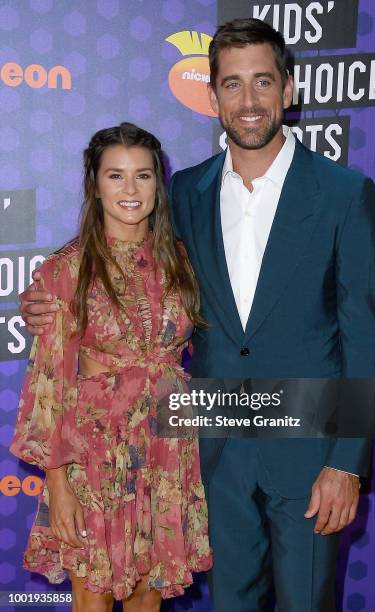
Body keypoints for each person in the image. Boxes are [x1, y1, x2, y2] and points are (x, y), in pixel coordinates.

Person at [19, 19, 375, 612]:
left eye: (263, 82)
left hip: (308, 452)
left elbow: (368, 337)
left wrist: (348, 463)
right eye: (233, 85)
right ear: (212, 96)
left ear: (289, 90)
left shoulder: (346, 194)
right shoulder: (186, 194)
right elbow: (110, 266)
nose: (249, 102)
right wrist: (40, 300)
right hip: (208, 453)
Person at [11, 123, 211, 612]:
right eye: (115, 176)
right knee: (94, 595)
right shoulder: (67, 270)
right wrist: (57, 485)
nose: (130, 190)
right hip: (94, 455)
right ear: (94, 183)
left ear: (157, 185)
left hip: (167, 447)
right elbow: (50, 383)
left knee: (148, 594)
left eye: (142, 176)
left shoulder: (183, 262)